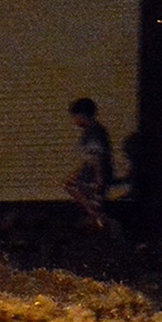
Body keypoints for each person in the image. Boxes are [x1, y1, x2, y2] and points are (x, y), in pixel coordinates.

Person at [64, 97, 113, 230]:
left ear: (82, 115)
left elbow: (97, 156)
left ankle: (99, 223)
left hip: (93, 174)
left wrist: (99, 177)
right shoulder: (92, 131)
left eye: (75, 117)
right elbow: (89, 158)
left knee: (95, 203)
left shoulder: (94, 133)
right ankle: (94, 217)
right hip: (89, 172)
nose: (75, 120)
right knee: (71, 185)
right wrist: (76, 172)